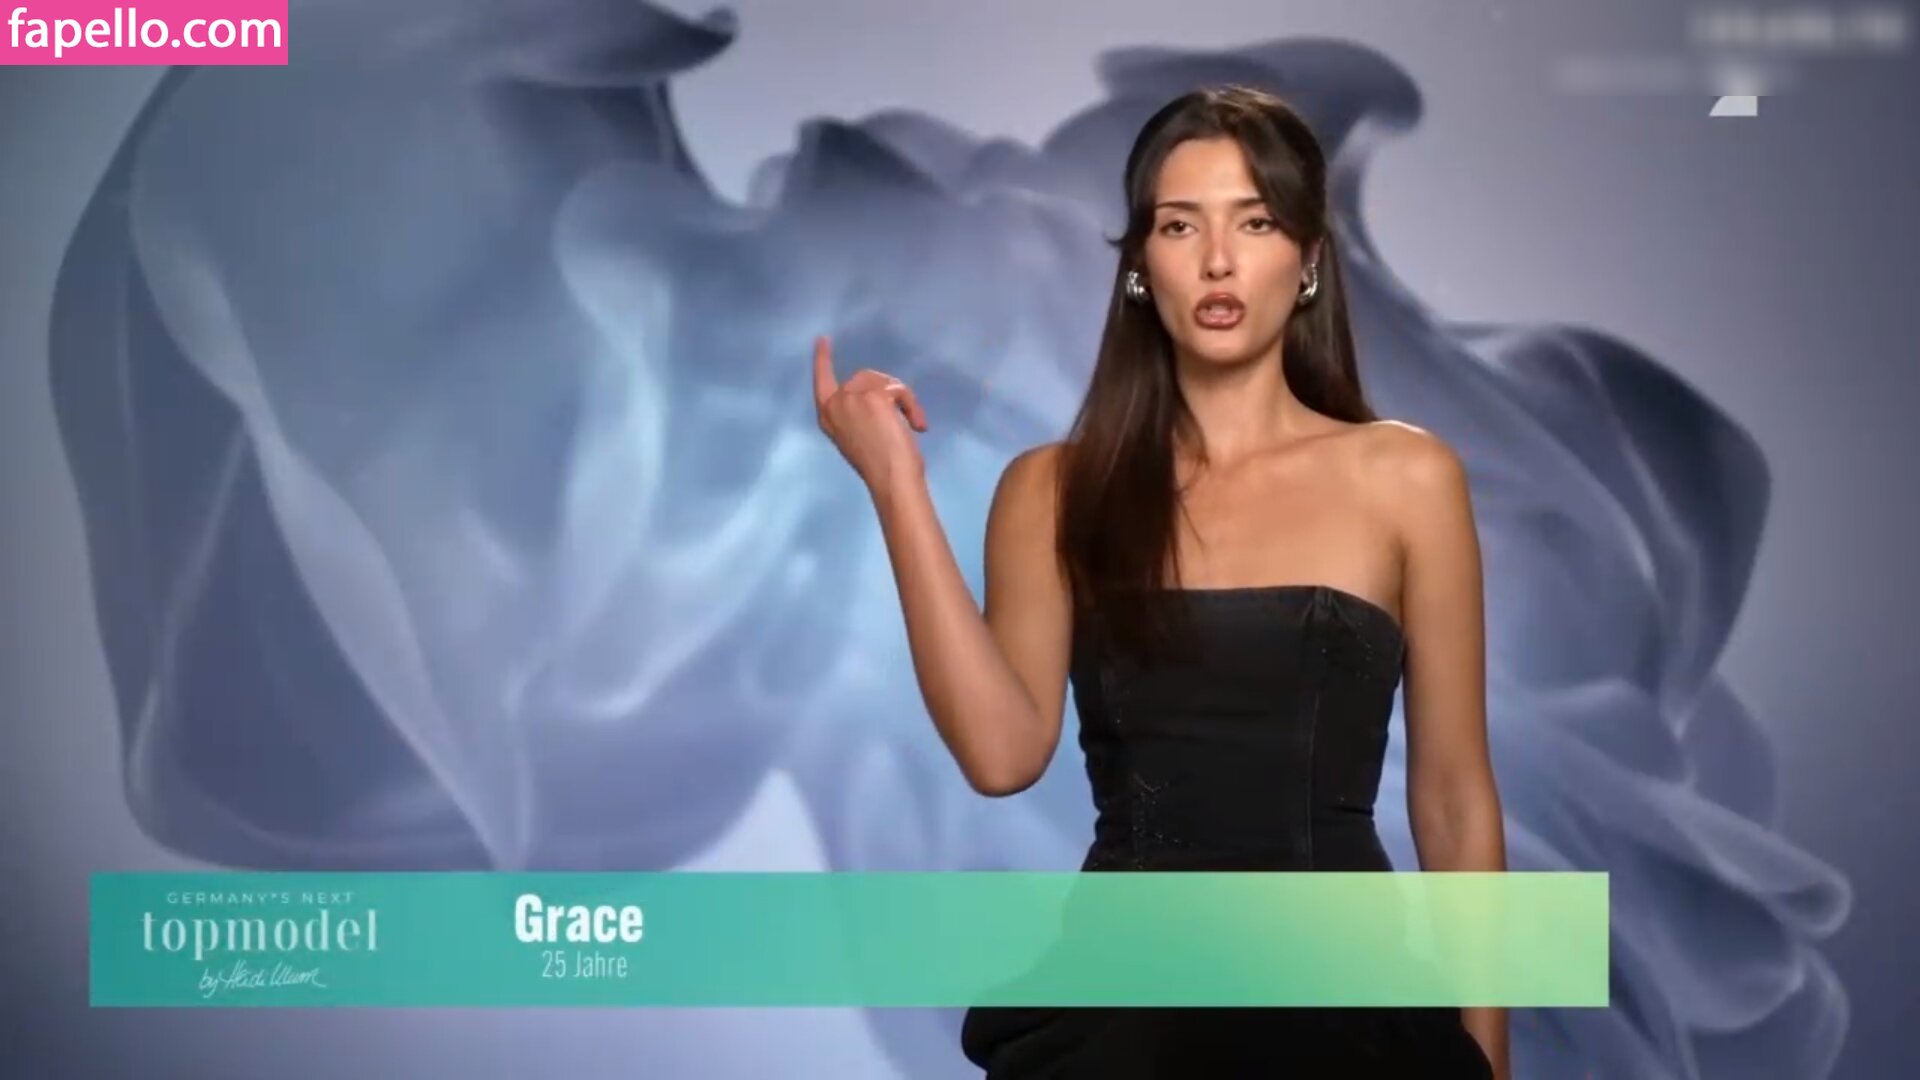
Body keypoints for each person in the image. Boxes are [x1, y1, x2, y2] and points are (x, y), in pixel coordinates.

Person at [812, 84, 1509, 1079]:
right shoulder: (1052, 490)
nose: (1218, 260)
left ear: (1309, 259)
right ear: (1140, 262)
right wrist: (897, 488)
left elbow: (1454, 796)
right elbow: (1002, 755)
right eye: (1181, 225)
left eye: (1255, 223)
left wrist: (1488, 1060)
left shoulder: (1407, 477)